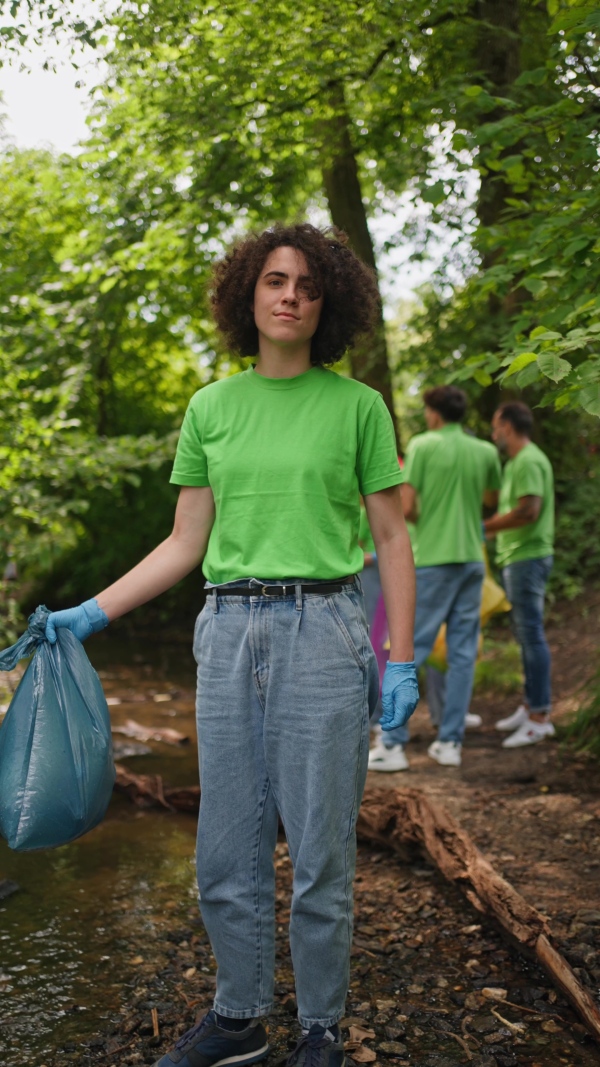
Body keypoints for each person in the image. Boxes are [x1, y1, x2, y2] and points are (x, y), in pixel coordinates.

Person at [44, 224, 419, 1067]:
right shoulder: (211, 406)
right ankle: (240, 1016)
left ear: (329, 306)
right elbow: (184, 542)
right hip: (226, 630)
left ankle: (320, 1026)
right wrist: (90, 613)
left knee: (320, 848)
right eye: (276, 281)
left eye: (308, 287)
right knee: (226, 846)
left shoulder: (356, 405)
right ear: (247, 292)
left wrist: (399, 656)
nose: (290, 296)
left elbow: (392, 539)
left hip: (323, 629)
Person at [368, 385, 501, 772]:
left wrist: (423, 515)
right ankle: (450, 742)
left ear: (435, 413)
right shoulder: (485, 451)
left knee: (410, 648)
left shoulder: (424, 446)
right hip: (472, 559)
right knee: (462, 654)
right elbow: (491, 500)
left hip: (432, 561)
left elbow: (405, 506)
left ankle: (392, 743)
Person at [483, 401, 555, 748]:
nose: (493, 432)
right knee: (525, 636)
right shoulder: (516, 462)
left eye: (496, 426)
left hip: (528, 558)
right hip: (518, 557)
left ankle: (540, 716)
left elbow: (528, 511)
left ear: (508, 427)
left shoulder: (527, 460)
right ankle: (530, 706)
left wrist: (485, 527)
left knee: (531, 635)